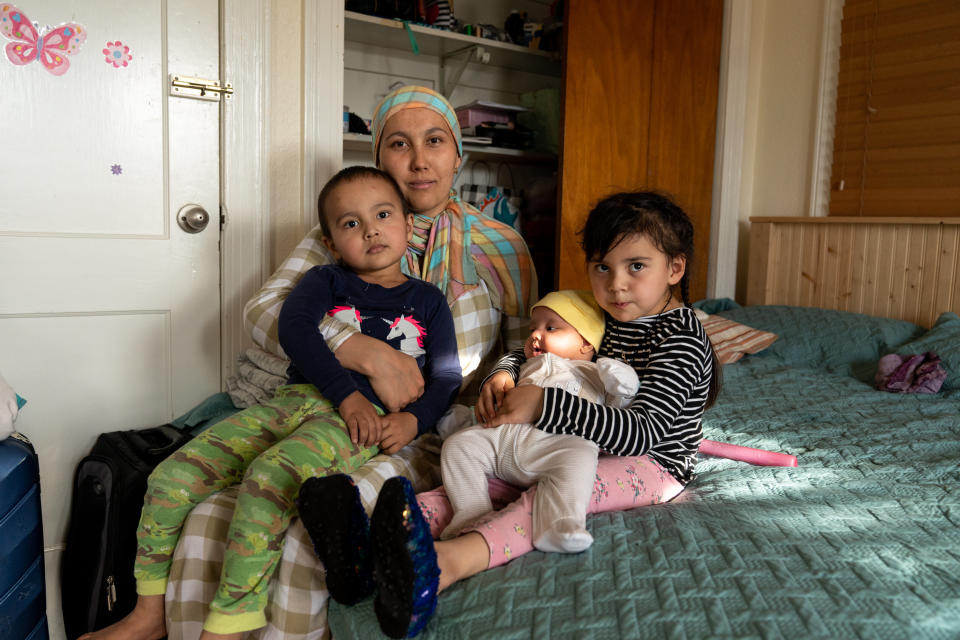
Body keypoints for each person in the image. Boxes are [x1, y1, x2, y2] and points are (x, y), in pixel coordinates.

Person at [295, 190, 721, 638]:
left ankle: (450, 563)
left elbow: (641, 434)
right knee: (481, 479)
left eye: (636, 266)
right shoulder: (616, 312)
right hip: (573, 441)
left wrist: (543, 403)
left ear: (675, 267)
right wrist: (503, 373)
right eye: (602, 267)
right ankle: (363, 548)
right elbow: (536, 347)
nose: (615, 284)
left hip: (653, 463)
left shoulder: (682, 342)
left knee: (555, 495)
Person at [80, 166, 462, 640]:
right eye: (350, 223)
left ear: (407, 223)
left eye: (383, 214)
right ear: (330, 240)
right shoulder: (324, 280)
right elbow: (294, 329)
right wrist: (345, 395)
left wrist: (412, 420)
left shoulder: (428, 301)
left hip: (357, 426)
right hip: (292, 402)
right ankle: (149, 613)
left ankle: (229, 625)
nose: (370, 230)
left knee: (269, 480)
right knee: (170, 477)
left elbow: (446, 377)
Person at [243, 85, 537, 409]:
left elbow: (524, 349)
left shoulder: (503, 244)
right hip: (350, 414)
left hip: (457, 422)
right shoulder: (349, 232)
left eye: (435, 140)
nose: (419, 161)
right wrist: (363, 351)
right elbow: (261, 310)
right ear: (378, 159)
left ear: (457, 156)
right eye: (399, 144)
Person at [436, 289, 639, 550]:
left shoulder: (594, 372)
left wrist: (622, 381)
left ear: (586, 343)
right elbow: (502, 383)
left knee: (582, 456)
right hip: (503, 443)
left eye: (551, 328)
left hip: (554, 449)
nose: (535, 335)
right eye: (533, 328)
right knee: (458, 446)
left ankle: (560, 524)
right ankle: (472, 513)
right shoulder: (524, 365)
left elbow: (618, 408)